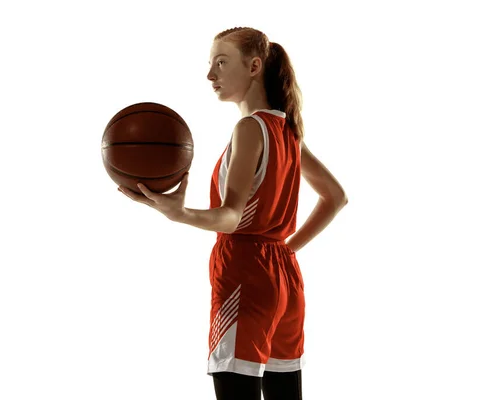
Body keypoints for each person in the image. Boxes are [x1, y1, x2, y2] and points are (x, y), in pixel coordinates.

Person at [118, 27, 348, 400]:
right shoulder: (286, 131)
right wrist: (287, 250)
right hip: (284, 277)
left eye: (221, 63)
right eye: (210, 64)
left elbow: (231, 217)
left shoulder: (249, 128)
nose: (211, 75)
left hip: (245, 270)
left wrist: (180, 213)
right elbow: (335, 197)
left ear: (254, 66)